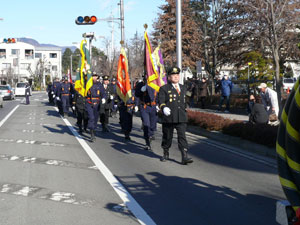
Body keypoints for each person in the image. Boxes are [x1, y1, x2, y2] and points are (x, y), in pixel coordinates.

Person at [158, 66, 193, 165]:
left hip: (181, 117)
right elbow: (160, 100)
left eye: (177, 75)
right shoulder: (164, 88)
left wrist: (187, 105)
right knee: (167, 137)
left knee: (182, 137)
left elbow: (188, 98)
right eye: (173, 75)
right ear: (169, 77)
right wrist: (163, 107)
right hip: (169, 117)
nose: (176, 77)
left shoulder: (183, 87)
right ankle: (165, 152)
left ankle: (184, 156)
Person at [135, 78, 158, 151]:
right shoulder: (141, 84)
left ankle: (150, 135)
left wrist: (159, 104)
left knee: (152, 125)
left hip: (154, 107)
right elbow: (136, 94)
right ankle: (147, 142)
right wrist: (141, 90)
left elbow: (160, 94)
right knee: (146, 124)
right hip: (144, 107)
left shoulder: (156, 84)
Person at [85, 73, 106, 142]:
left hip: (97, 103)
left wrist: (103, 98)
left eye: (95, 76)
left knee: (96, 119)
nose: (94, 77)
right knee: (91, 117)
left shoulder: (99, 84)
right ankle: (92, 134)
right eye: (93, 76)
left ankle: (93, 130)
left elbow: (103, 93)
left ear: (97, 77)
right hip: (89, 102)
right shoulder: (88, 83)